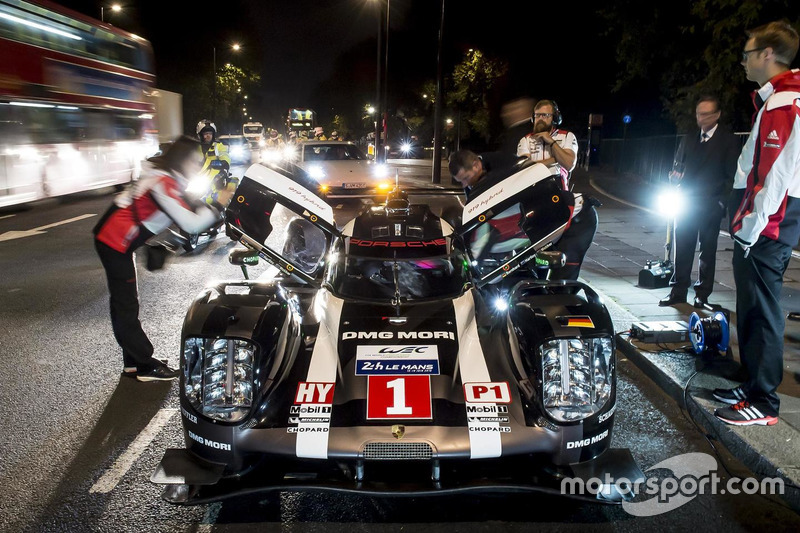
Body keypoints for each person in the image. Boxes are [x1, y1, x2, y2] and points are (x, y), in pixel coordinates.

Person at [713, 21, 800, 427]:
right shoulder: (776, 99)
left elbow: (776, 175)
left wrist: (749, 227)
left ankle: (764, 402)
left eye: (748, 53)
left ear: (767, 53)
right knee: (750, 305)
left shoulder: (785, 103)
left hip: (769, 223)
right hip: (763, 220)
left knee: (763, 309)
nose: (743, 60)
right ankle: (751, 384)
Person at [93, 136, 235, 382]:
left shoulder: (162, 175)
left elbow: (177, 209)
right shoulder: (163, 182)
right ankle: (145, 365)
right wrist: (219, 205)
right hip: (114, 242)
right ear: (181, 160)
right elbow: (191, 224)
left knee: (123, 302)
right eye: (194, 162)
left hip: (114, 239)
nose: (197, 168)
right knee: (126, 304)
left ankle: (132, 364)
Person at [448, 149, 597, 281]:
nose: (465, 185)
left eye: (466, 178)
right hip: (541, 220)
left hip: (574, 216)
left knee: (561, 279)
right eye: (460, 182)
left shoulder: (504, 162)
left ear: (476, 165)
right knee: (534, 273)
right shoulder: (475, 182)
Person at [659, 96, 740, 308]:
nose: (700, 118)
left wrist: (722, 202)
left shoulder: (728, 140)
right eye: (698, 114)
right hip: (686, 201)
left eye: (705, 114)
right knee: (682, 247)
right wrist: (674, 177)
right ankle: (678, 290)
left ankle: (702, 295)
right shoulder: (689, 139)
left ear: (717, 115)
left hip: (711, 204)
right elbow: (678, 165)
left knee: (707, 251)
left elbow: (733, 176)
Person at [517, 99, 579, 188]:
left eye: (545, 115)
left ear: (555, 118)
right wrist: (555, 160)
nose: (540, 119)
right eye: (537, 115)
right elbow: (524, 169)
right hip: (532, 190)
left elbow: (569, 164)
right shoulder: (525, 140)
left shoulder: (567, 136)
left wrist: (551, 141)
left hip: (558, 190)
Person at [196, 119, 235, 205]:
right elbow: (188, 159)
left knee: (216, 198)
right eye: (205, 134)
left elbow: (225, 155)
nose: (208, 136)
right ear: (200, 135)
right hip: (199, 177)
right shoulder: (195, 148)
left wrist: (224, 163)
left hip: (216, 177)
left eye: (210, 133)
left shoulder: (218, 146)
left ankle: (220, 210)